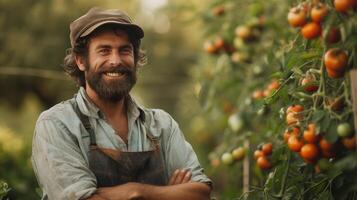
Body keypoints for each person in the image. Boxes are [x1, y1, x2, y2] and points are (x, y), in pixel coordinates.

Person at [31, 7, 212, 200]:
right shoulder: (57, 124)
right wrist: (168, 194)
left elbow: (201, 193)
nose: (115, 60)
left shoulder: (161, 125)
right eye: (104, 50)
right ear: (81, 61)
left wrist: (138, 191)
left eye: (124, 50)